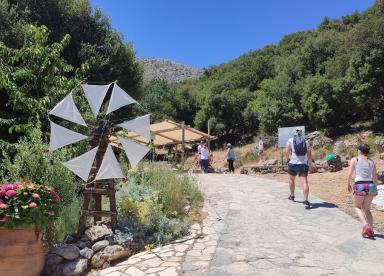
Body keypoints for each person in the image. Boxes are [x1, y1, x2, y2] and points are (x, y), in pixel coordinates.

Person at [347, 144, 378, 238]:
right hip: (370, 185)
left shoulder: (355, 159)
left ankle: (365, 225)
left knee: (357, 207)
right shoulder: (372, 161)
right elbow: (375, 177)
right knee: (367, 209)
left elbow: (350, 173)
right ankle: (371, 230)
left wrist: (348, 183)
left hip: (360, 184)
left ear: (359, 150)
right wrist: (376, 188)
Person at [285, 128, 314, 209]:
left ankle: (292, 195)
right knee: (304, 182)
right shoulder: (306, 141)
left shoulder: (290, 140)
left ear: (294, 133)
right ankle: (305, 200)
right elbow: (309, 155)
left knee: (291, 179)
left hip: (293, 164)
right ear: (302, 134)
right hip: (303, 165)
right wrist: (310, 165)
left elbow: (286, 151)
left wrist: (288, 158)